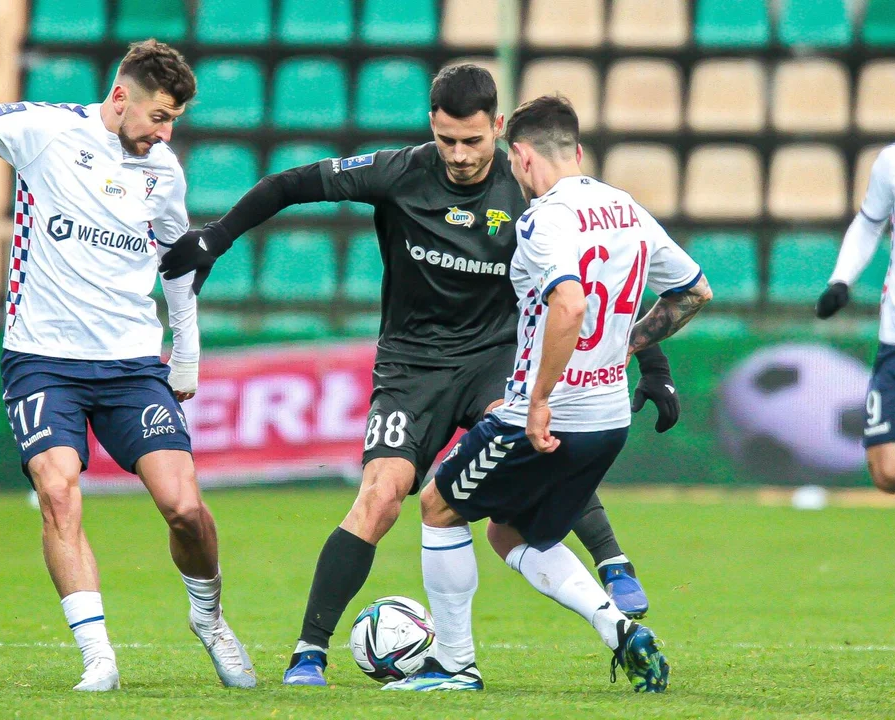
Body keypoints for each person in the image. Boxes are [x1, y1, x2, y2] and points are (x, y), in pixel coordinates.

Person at [160, 64, 677, 685]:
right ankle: (309, 651)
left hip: (498, 359)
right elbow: (288, 183)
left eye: (473, 141)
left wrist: (654, 360)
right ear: (432, 128)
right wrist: (216, 237)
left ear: (501, 130)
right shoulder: (401, 171)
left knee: (534, 440)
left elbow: (604, 279)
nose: (458, 155)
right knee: (379, 499)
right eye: (446, 140)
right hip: (412, 366)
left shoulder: (531, 190)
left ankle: (610, 563)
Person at [0, 39, 256, 692]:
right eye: (159, 116)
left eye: (174, 119)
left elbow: (179, 264)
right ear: (121, 97)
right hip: (42, 361)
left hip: (129, 365)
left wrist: (186, 354)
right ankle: (99, 657)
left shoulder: (165, 171)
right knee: (58, 491)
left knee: (184, 508)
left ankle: (208, 618)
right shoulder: (45, 131)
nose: (166, 130)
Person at [384, 95, 712, 693]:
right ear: (579, 152)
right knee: (511, 532)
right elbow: (694, 293)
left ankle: (454, 667)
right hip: (609, 419)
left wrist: (539, 399)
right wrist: (625, 348)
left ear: (522, 154)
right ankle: (619, 630)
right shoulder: (626, 209)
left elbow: (569, 303)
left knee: (437, 506)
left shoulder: (542, 219)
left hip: (543, 417)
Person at [817, 145, 895, 494]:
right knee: (886, 472)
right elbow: (869, 223)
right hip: (894, 336)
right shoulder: (892, 161)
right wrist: (841, 279)